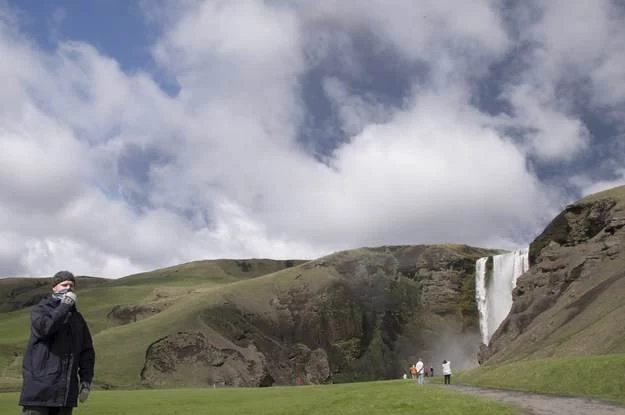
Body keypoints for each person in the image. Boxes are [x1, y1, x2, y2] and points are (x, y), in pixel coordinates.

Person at [19, 271, 95, 415]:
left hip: (65, 394)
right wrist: (64, 306)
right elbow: (45, 329)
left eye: (71, 285)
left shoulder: (77, 319)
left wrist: (86, 381)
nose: (68, 288)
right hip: (39, 392)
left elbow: (87, 352)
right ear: (54, 287)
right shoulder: (40, 310)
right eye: (64, 284)